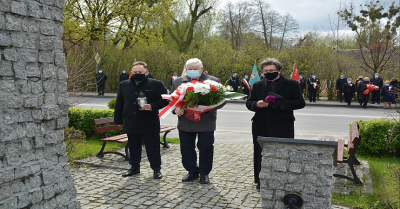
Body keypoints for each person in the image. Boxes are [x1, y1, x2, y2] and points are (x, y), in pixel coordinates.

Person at [246, 58, 305, 189]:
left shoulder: (291, 84)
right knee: (260, 153)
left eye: (271, 70)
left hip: (283, 125)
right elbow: (249, 103)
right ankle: (261, 180)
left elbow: (300, 103)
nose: (268, 72)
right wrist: (257, 104)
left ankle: (282, 180)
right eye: (265, 71)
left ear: (279, 70)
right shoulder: (257, 85)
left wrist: (281, 104)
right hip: (261, 125)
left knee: (283, 153)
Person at [171, 58, 226, 184]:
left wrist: (207, 107)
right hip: (185, 122)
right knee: (186, 147)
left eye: (194, 69)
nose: (191, 71)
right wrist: (176, 109)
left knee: (205, 147)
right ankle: (192, 171)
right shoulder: (178, 82)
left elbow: (222, 100)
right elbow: (172, 100)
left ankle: (204, 173)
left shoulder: (213, 81)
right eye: (189, 69)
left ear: (202, 69)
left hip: (206, 121)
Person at [114, 61, 169, 179]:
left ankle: (156, 169)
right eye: (135, 72)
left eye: (140, 72)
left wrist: (152, 106)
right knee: (133, 146)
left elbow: (165, 100)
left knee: (152, 147)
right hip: (131, 121)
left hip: (149, 122)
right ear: (131, 73)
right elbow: (119, 103)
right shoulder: (123, 84)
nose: (137, 74)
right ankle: (134, 167)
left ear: (146, 72)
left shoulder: (156, 84)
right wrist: (118, 120)